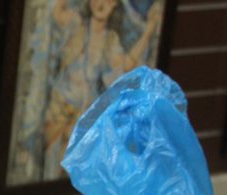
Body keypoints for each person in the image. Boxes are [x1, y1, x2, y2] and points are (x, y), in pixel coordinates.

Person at [42, 0, 163, 179]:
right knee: (50, 161)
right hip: (59, 107)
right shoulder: (76, 24)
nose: (101, 4)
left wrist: (149, 30)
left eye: (108, 0)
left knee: (70, 164)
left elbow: (127, 64)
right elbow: (56, 12)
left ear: (115, 5)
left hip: (82, 112)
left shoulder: (110, 39)